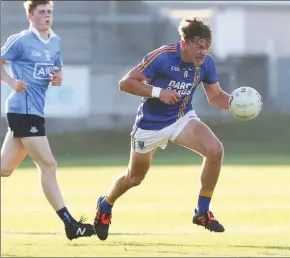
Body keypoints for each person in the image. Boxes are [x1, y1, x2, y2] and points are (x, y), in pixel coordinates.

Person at [93, 17, 231, 241]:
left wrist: (236, 105)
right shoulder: (163, 56)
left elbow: (215, 97)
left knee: (215, 151)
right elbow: (126, 83)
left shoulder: (206, 63)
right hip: (150, 125)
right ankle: (105, 204)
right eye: (198, 46)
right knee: (134, 178)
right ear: (184, 43)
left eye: (206, 46)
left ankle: (202, 211)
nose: (203, 52)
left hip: (181, 117)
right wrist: (158, 92)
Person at [1, 0, 94, 240]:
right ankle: (70, 223)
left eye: (49, 12)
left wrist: (59, 76)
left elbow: (57, 69)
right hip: (22, 109)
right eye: (41, 12)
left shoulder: (55, 41)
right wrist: (11, 82)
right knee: (48, 165)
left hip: (35, 111)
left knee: (5, 169)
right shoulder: (20, 40)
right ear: (30, 16)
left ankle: (70, 224)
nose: (47, 16)